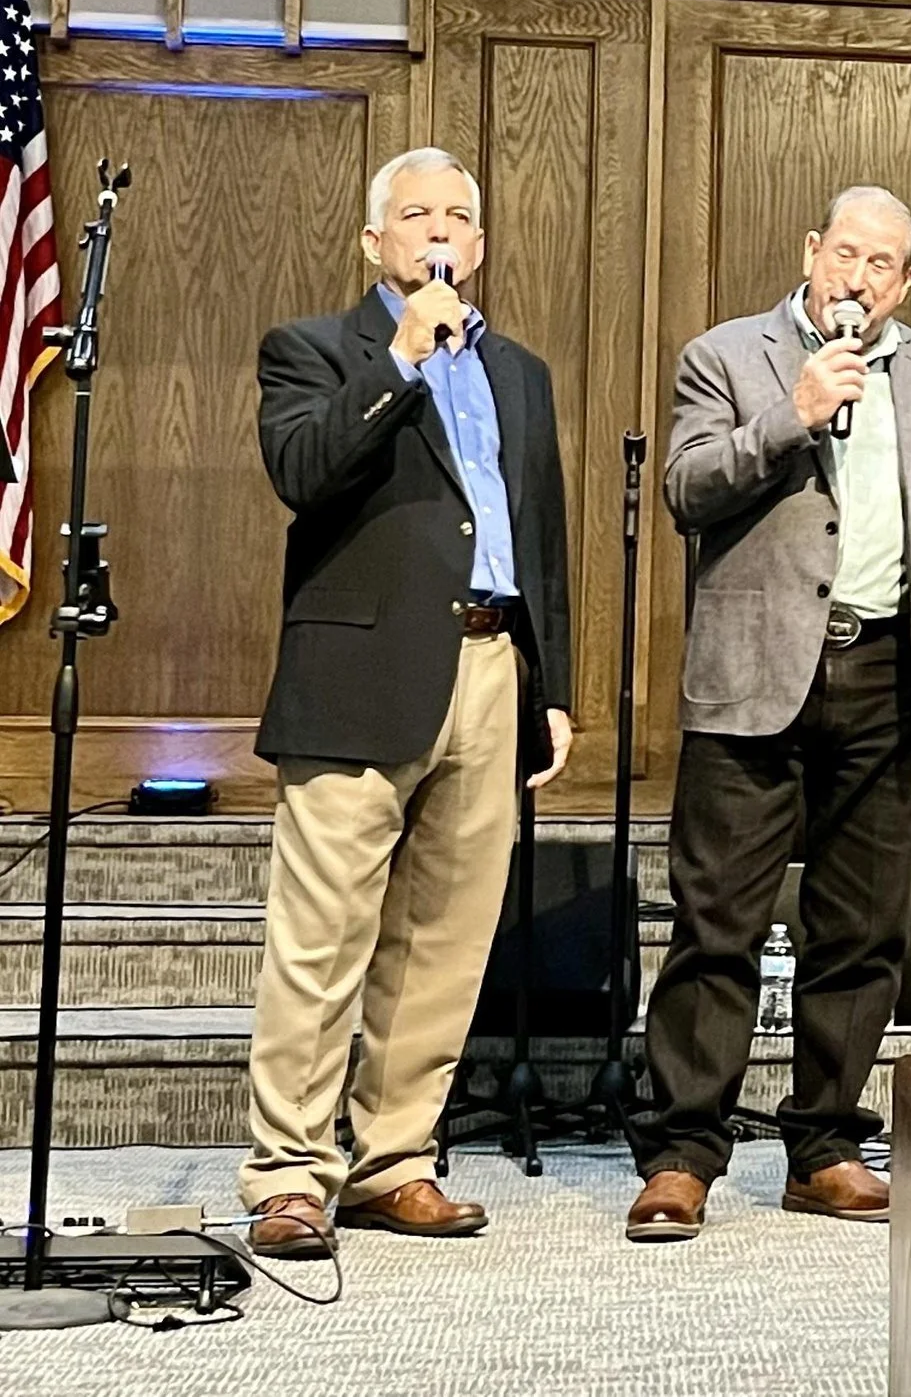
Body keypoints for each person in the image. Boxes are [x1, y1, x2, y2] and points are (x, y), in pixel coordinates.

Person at [626, 184, 911, 1241]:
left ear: (905, 282)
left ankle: (825, 1145)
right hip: (754, 676)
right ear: (810, 252)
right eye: (845, 255)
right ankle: (683, 1153)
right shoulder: (726, 355)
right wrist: (791, 415)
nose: (858, 279)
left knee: (863, 929)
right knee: (717, 925)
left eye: (881, 265)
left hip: (887, 675)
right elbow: (688, 489)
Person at [241, 147, 574, 1258]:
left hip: (490, 666)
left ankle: (394, 1158)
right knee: (322, 939)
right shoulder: (314, 348)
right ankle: (290, 1172)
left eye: (457, 216)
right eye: (416, 213)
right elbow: (303, 471)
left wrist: (551, 688)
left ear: (477, 245)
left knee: (444, 941)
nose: (438, 231)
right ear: (374, 239)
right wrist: (399, 360)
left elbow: (539, 532)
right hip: (360, 675)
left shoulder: (520, 371)